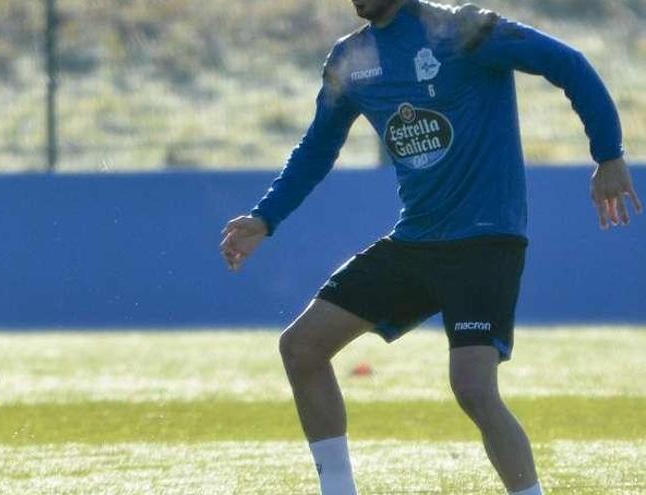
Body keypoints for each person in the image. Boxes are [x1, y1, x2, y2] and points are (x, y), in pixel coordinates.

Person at [219, 1, 641, 494]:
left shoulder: (465, 30)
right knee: (301, 347)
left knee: (473, 389)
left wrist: (608, 154)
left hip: (485, 240)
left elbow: (568, 63)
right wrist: (265, 217)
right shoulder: (350, 58)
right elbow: (317, 147)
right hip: (417, 241)